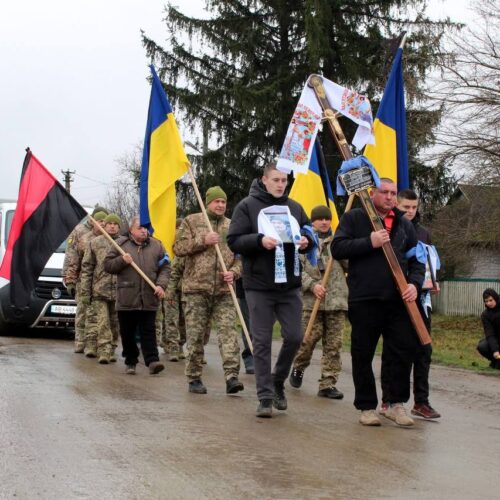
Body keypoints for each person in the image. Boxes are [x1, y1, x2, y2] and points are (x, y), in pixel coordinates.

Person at [331, 178, 425, 427]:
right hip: (365, 298)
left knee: (401, 353)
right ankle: (366, 407)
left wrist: (414, 284)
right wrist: (369, 242)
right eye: (385, 192)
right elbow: (337, 248)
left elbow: (417, 260)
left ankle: (396, 404)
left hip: (399, 300)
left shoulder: (404, 224)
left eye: (393, 193)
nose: (390, 197)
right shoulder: (354, 218)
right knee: (363, 353)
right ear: (372, 193)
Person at [227, 162, 313, 418]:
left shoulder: (294, 207)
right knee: (261, 342)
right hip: (259, 286)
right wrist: (259, 240)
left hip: (289, 285)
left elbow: (307, 231)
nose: (280, 184)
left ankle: (277, 381)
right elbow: (233, 240)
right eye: (276, 180)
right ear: (264, 180)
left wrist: (307, 242)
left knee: (295, 336)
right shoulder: (247, 206)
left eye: (284, 180)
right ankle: (265, 397)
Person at [173, 186, 243, 395]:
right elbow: (178, 248)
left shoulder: (233, 226)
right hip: (197, 289)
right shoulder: (192, 221)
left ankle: (232, 377)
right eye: (216, 201)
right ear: (207, 202)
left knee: (229, 333)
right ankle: (194, 377)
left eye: (223, 202)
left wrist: (234, 272)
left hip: (224, 290)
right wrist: (202, 241)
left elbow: (241, 257)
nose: (220, 205)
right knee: (195, 336)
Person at [379, 189, 441, 419]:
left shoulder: (423, 233)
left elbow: (428, 262)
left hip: (421, 299)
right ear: (397, 205)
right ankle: (389, 399)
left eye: (414, 208)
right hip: (395, 300)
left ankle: (421, 401)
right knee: (394, 350)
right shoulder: (391, 229)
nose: (411, 211)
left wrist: (433, 281)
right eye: (406, 207)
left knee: (424, 349)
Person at [289, 205, 348, 400]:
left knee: (334, 345)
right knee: (307, 341)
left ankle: (328, 383)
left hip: (336, 301)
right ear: (312, 221)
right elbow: (296, 270)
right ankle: (298, 366)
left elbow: (350, 265)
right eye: (320, 219)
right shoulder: (304, 243)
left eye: (327, 219)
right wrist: (312, 286)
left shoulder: (338, 242)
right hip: (311, 302)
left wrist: (345, 249)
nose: (324, 222)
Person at [104, 216, 169, 375]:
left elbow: (166, 268)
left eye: (145, 227)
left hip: (149, 295)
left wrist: (161, 285)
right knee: (128, 332)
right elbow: (108, 265)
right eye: (140, 228)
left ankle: (152, 360)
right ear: (131, 230)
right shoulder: (120, 244)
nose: (143, 231)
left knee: (148, 330)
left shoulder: (157, 245)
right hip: (127, 296)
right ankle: (131, 361)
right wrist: (122, 260)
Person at [63, 208, 108, 355]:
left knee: (97, 314)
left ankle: (94, 343)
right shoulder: (80, 232)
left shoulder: (107, 234)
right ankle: (80, 341)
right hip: (83, 278)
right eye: (99, 220)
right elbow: (72, 257)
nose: (102, 223)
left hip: (102, 280)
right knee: (82, 311)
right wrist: (70, 279)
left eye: (104, 220)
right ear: (92, 219)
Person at [79, 214, 121, 364]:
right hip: (100, 290)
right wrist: (85, 292)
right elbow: (87, 268)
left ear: (119, 227)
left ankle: (112, 348)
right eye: (109, 223)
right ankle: (104, 350)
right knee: (102, 322)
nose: (112, 226)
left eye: (115, 224)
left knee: (115, 323)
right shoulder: (95, 243)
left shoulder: (124, 243)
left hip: (119, 291)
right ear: (105, 225)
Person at [164, 255, 187, 361]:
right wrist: (170, 293)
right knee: (171, 319)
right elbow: (173, 273)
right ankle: (173, 347)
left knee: (184, 320)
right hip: (173, 290)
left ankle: (181, 345)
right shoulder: (181, 253)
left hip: (188, 290)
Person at [477, 288, 500, 369]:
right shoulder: (485, 315)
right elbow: (490, 334)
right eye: (486, 301)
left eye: (491, 300)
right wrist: (495, 350)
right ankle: (496, 360)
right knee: (482, 346)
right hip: (497, 339)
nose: (489, 303)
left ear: (495, 298)